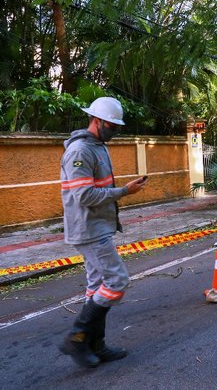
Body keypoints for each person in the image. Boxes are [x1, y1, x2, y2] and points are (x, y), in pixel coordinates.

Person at [58, 96, 148, 368]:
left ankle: (95, 345)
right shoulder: (80, 151)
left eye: (116, 126)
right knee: (117, 281)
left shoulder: (98, 146)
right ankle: (76, 337)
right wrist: (124, 192)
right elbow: (84, 195)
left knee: (97, 286)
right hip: (89, 229)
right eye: (110, 125)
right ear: (96, 121)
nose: (113, 130)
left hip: (99, 225)